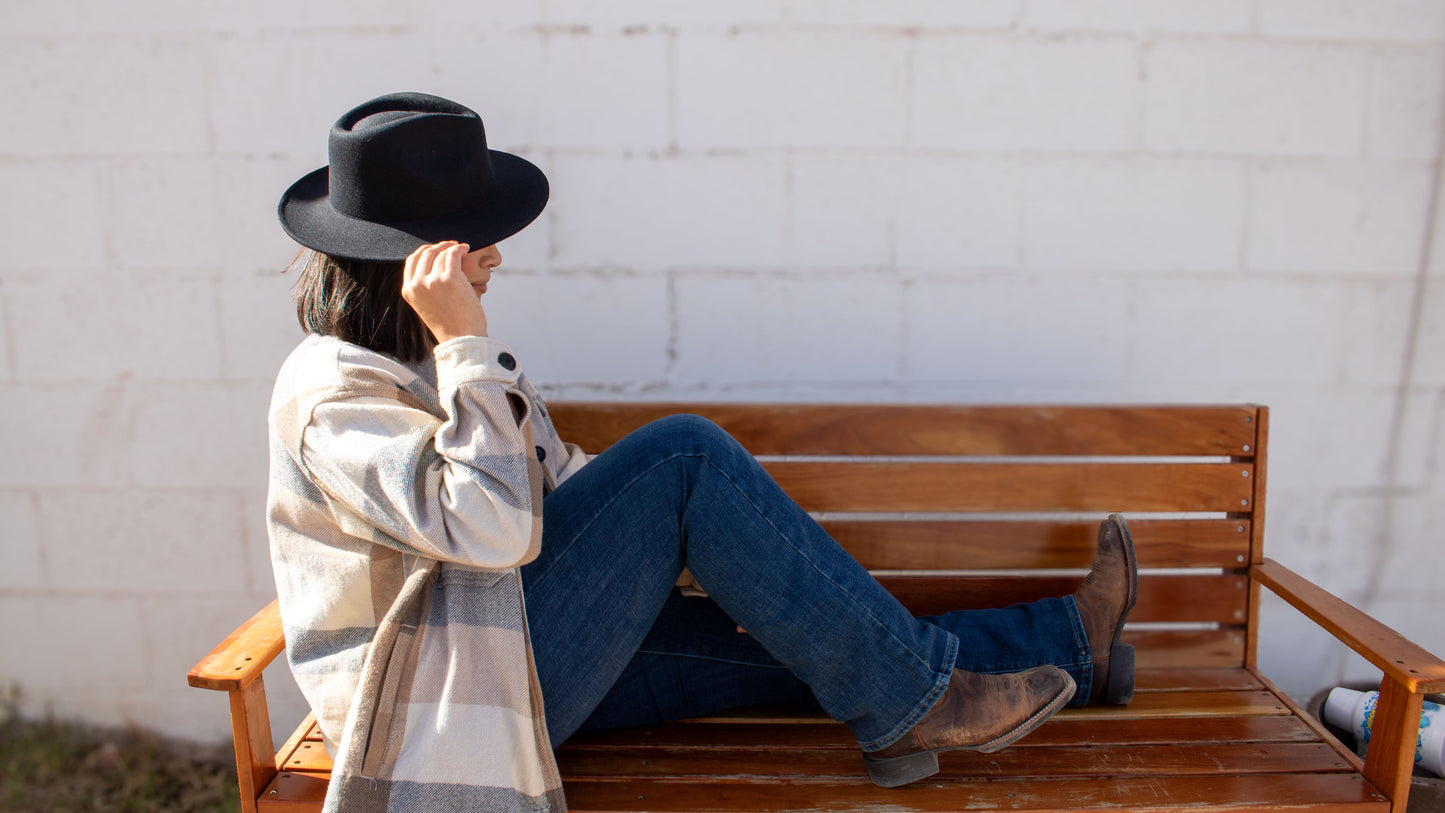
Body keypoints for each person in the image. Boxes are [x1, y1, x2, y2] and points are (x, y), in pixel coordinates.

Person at [268, 92, 1138, 813]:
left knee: (809, 637)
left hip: (505, 650)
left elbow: (552, 485)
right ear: (406, 261)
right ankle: (914, 711)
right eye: (472, 237)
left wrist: (692, 560)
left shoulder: (419, 358)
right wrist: (467, 347)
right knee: (680, 455)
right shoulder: (335, 398)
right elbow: (491, 528)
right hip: (444, 703)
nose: (495, 254)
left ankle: (1072, 645)